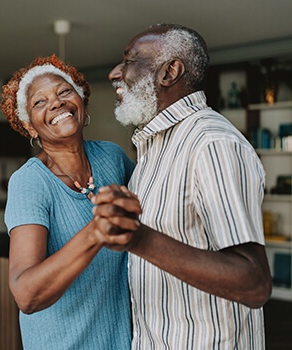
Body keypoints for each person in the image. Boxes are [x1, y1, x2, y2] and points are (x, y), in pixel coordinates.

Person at [92, 24, 272, 349]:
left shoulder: (211, 143)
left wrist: (138, 238)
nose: (114, 73)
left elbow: (254, 282)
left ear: (169, 72)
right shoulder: (152, 150)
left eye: (130, 60)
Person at [0, 54, 141, 349]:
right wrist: (96, 232)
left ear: (82, 101)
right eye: (39, 102)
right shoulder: (30, 182)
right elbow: (26, 295)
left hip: (122, 341)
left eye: (64, 92)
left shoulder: (112, 157)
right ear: (29, 127)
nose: (55, 103)